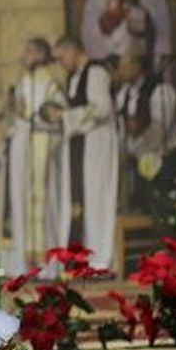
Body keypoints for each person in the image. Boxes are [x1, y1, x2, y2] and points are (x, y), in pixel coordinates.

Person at [46, 36, 119, 269]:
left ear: (73, 50)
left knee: (96, 200)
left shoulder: (96, 72)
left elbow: (102, 109)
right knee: (80, 200)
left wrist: (66, 116)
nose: (60, 62)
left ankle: (100, 260)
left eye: (61, 57)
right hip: (80, 146)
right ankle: (82, 257)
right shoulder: (74, 77)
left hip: (97, 147)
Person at [0, 38, 65, 276]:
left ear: (39, 54)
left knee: (42, 200)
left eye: (27, 51)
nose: (23, 56)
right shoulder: (23, 82)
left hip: (41, 146)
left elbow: (59, 118)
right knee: (20, 201)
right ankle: (21, 264)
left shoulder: (51, 85)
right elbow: (16, 117)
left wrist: (39, 122)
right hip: (22, 148)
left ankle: (45, 265)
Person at [114, 53, 176, 211]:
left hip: (157, 155)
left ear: (137, 67)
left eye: (124, 66)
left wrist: (136, 150)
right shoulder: (124, 93)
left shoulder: (160, 89)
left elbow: (159, 129)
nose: (120, 71)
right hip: (130, 157)